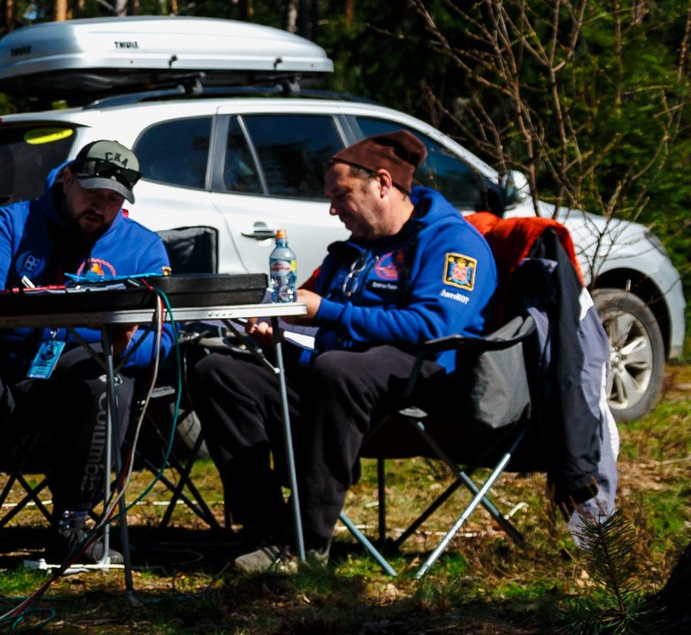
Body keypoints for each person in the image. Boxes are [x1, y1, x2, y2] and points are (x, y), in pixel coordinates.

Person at [191, 129, 497, 572]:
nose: (333, 209)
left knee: (339, 369)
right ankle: (265, 528)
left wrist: (326, 313)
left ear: (383, 183)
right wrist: (277, 332)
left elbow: (433, 325)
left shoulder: (451, 242)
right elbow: (317, 321)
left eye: (342, 195)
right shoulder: (351, 252)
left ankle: (306, 545)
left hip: (422, 383)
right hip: (333, 380)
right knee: (218, 371)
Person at [0, 140, 172, 569]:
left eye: (112, 199)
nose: (100, 207)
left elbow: (162, 341)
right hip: (1, 363)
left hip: (76, 375)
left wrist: (121, 344)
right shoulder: (13, 222)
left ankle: (72, 527)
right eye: (92, 194)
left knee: (110, 386)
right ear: (67, 180)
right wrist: (70, 315)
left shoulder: (143, 248)